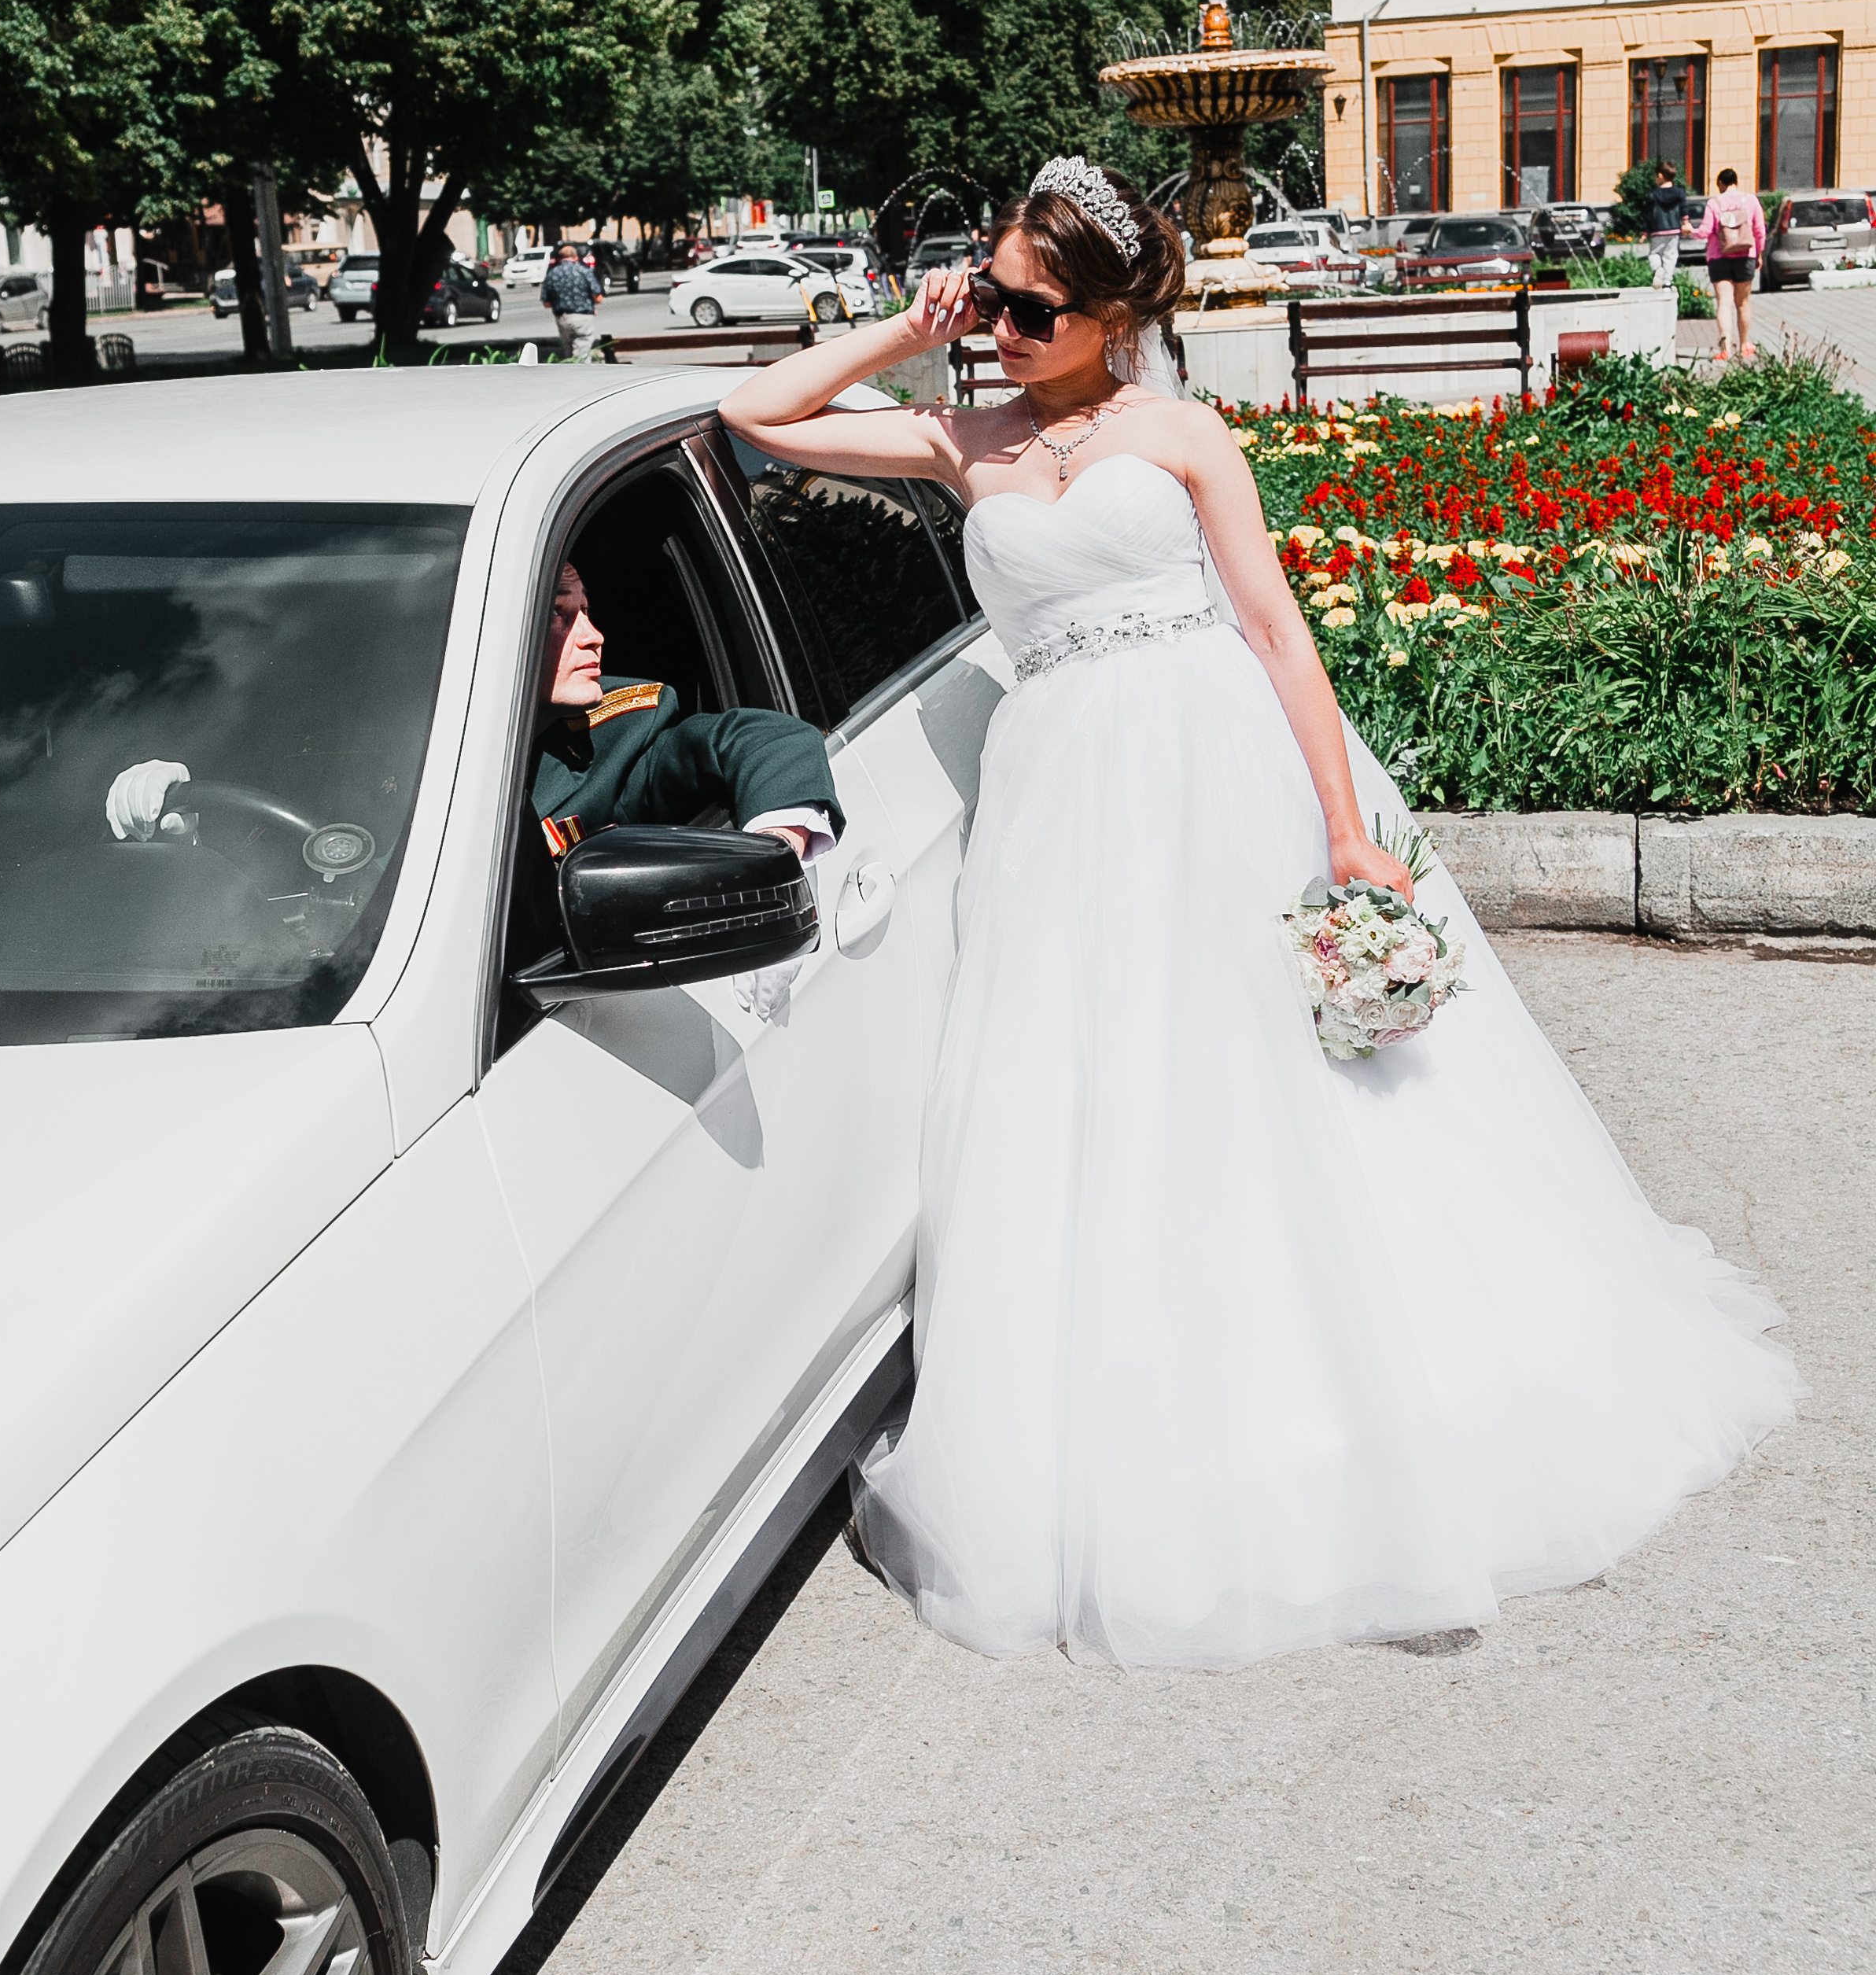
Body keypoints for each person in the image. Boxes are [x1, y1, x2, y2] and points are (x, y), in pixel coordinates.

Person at [721, 155, 1795, 1670]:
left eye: (1034, 305)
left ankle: (1394, 1408)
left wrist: (1349, 837)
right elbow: (753, 418)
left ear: (1109, 314)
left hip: (1222, 770)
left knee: (1308, 1085)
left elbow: (1280, 634)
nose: (1007, 324)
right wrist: (913, 329)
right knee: (1117, 1096)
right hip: (1069, 804)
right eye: (999, 294)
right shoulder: (962, 436)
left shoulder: (1181, 430)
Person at [106, 562, 842, 1016]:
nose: (595, 637)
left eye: (586, 612)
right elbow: (284, 822)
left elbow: (761, 738)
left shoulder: (623, 728)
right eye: (562, 617)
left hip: (503, 1017)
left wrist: (775, 847)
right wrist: (182, 809)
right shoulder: (367, 732)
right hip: (312, 992)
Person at [1698, 167, 1765, 362]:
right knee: (1743, 303)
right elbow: (1760, 230)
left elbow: (1704, 232)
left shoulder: (1714, 203)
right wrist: (1759, 254)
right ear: (1736, 181)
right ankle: (1744, 345)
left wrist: (1689, 232)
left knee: (1724, 303)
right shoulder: (1751, 201)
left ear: (1720, 183)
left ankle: (1726, 349)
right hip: (1745, 256)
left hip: (1719, 258)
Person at [542, 245, 601, 360]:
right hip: (583, 317)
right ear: (576, 258)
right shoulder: (584, 271)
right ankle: (582, 375)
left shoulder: (552, 274)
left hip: (562, 318)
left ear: (559, 259)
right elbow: (598, 297)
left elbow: (546, 303)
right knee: (582, 353)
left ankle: (570, 373)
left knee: (568, 351)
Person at [1645, 161, 1689, 291]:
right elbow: (1684, 209)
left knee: (1654, 254)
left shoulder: (1653, 195)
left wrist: (1644, 232)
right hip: (1674, 229)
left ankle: (1658, 269)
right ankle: (1667, 283)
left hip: (1657, 230)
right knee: (1671, 256)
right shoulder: (1679, 193)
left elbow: (1648, 214)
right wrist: (1685, 222)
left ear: (1660, 175)